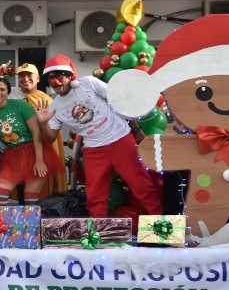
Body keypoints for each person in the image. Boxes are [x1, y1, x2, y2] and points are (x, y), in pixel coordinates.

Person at [35, 54, 162, 217]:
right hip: (94, 150)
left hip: (121, 140)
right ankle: (98, 230)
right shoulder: (55, 106)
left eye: (59, 76)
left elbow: (118, 102)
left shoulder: (88, 83)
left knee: (141, 185)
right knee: (95, 196)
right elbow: (51, 137)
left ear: (70, 76)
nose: (55, 81)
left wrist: (135, 129)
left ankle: (160, 223)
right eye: (50, 78)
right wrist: (43, 123)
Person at [0, 62, 67, 203]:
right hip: (9, 152)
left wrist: (39, 160)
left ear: (37, 78)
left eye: (29, 75)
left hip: (33, 151)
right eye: (22, 76)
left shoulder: (37, 101)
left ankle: (27, 217)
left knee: (28, 197)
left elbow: (38, 133)